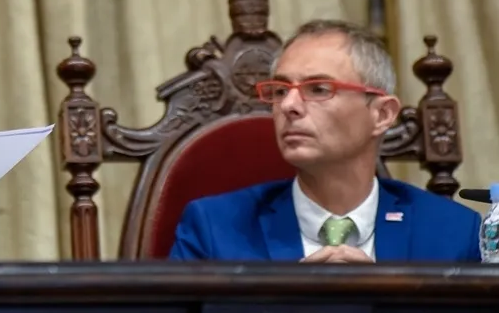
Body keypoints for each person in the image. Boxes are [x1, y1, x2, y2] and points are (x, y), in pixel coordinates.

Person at [168, 20, 481, 262]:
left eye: (318, 89)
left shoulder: (452, 232)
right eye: (280, 90)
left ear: (382, 114)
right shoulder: (213, 229)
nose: (289, 105)